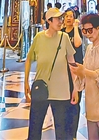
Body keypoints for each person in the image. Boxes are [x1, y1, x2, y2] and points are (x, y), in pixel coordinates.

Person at [25, 7, 78, 140]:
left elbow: (72, 63)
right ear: (49, 21)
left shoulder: (64, 38)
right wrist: (25, 82)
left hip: (61, 91)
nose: (61, 21)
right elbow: (29, 59)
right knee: (34, 129)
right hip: (41, 89)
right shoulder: (39, 38)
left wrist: (75, 87)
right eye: (58, 19)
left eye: (61, 18)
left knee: (62, 131)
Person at [63, 9, 83, 137]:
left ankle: (73, 132)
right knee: (64, 101)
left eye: (71, 16)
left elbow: (77, 43)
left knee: (75, 101)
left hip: (76, 69)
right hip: (63, 71)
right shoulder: (61, 32)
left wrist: (76, 27)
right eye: (66, 16)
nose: (68, 18)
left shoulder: (78, 31)